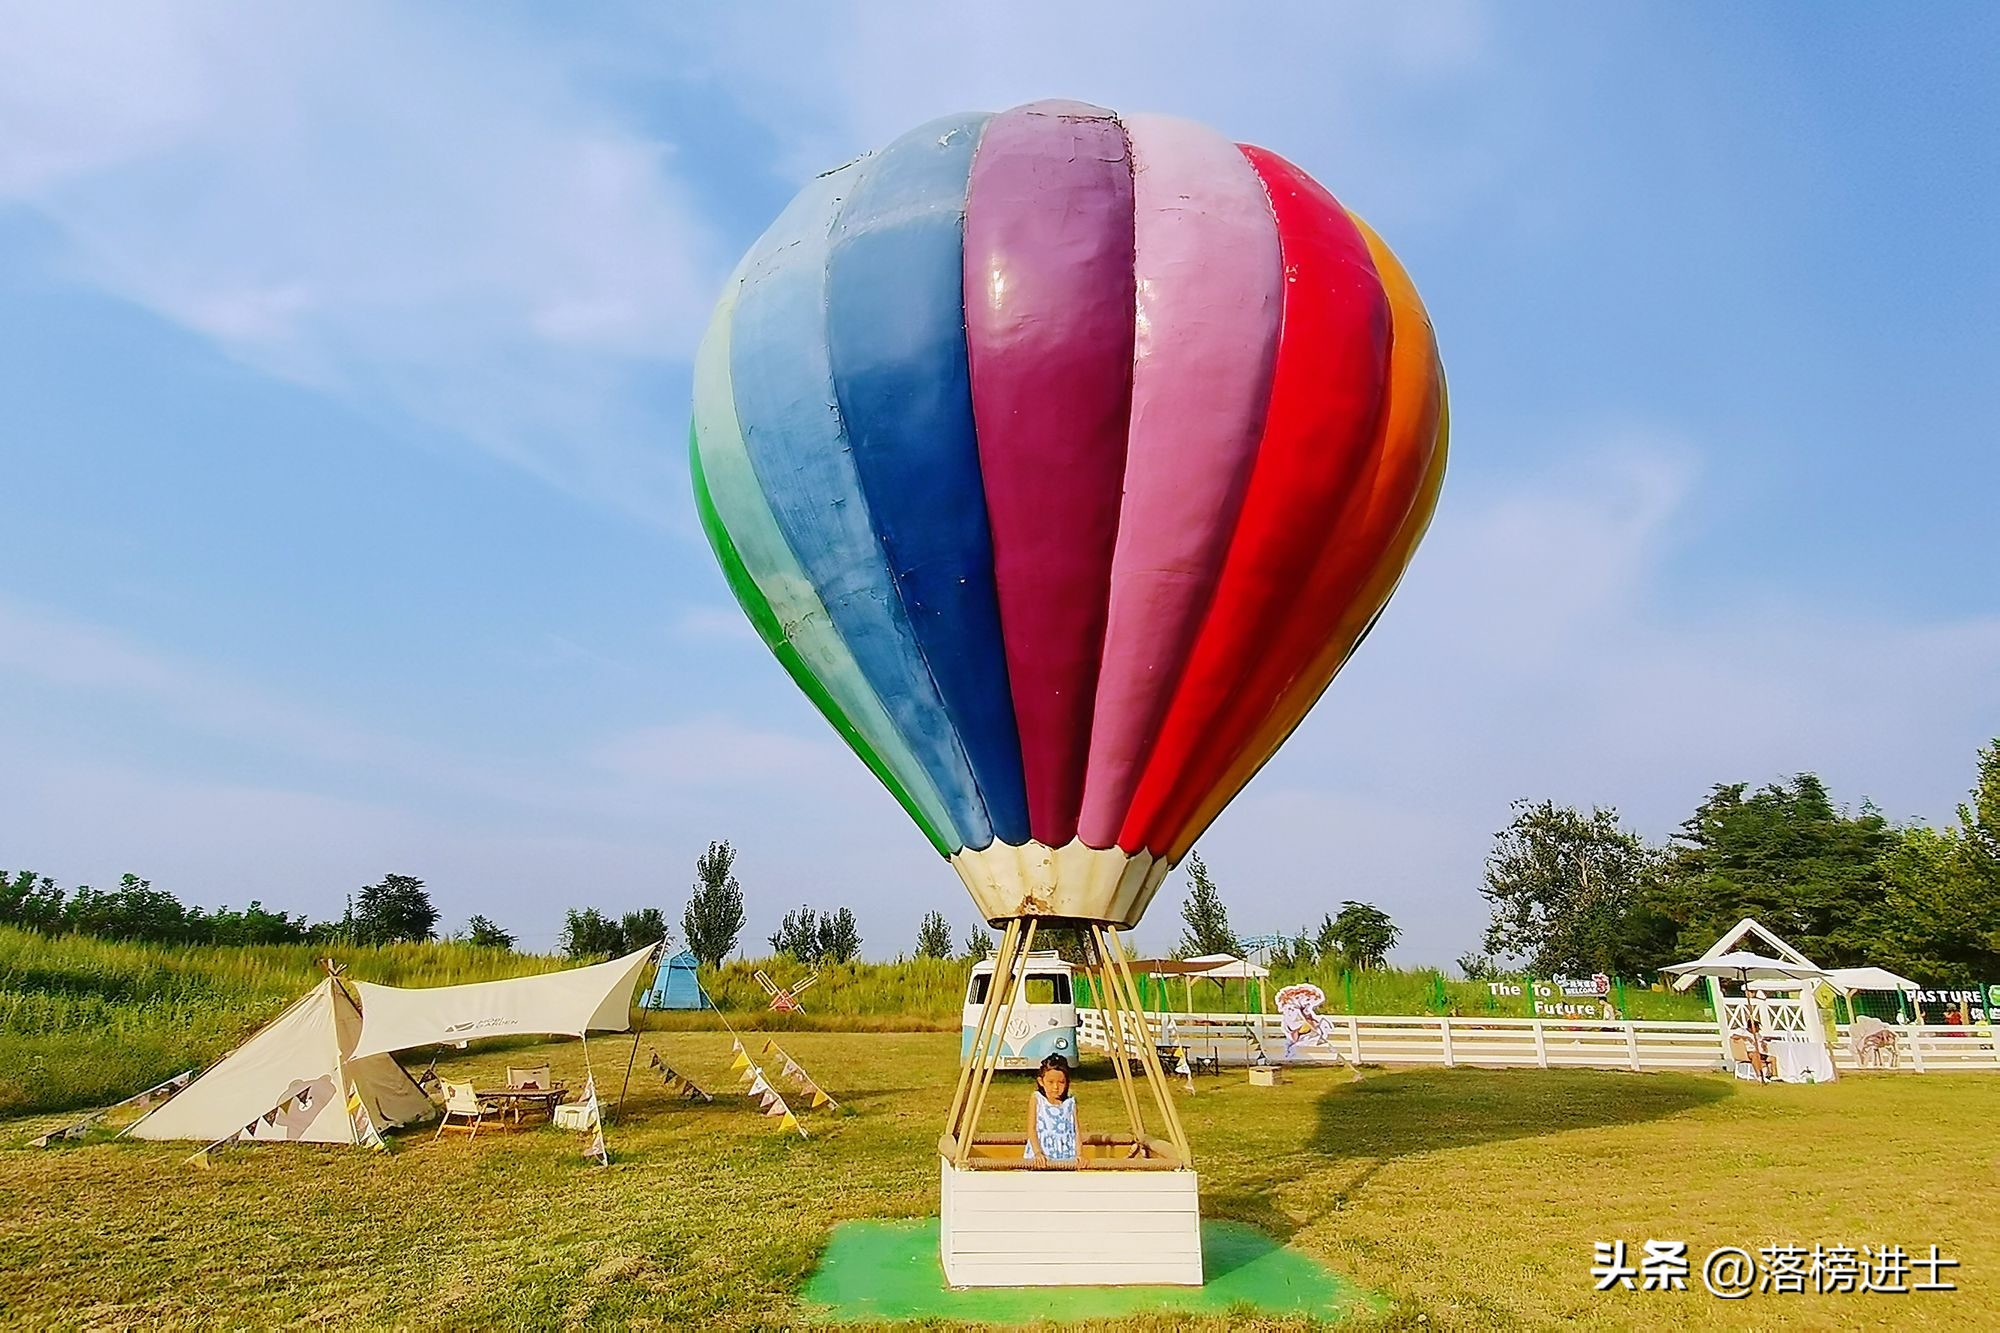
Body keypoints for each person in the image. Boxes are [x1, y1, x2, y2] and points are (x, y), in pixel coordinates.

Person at [1023, 1054, 1082, 1167]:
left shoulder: (1070, 1103)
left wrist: (1079, 1154)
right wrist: (1037, 1152)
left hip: (1066, 1154)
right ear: (1041, 1081)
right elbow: (1032, 1128)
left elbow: (1076, 1130)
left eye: (1061, 1082)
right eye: (1050, 1082)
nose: (1055, 1087)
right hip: (1042, 1154)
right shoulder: (1037, 1099)